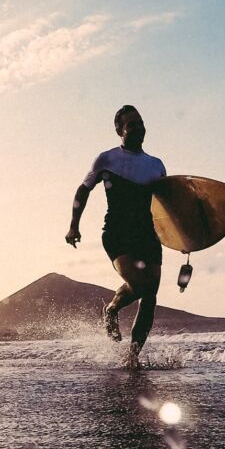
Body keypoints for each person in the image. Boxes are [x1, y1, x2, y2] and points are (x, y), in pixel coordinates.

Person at [65, 105, 166, 366]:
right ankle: (111, 309)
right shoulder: (107, 159)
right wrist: (74, 225)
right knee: (141, 286)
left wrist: (186, 236)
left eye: (141, 122)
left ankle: (132, 357)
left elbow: (167, 205)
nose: (138, 128)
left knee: (151, 293)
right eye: (132, 124)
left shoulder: (157, 165)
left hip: (148, 235)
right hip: (118, 234)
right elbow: (83, 190)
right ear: (119, 130)